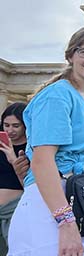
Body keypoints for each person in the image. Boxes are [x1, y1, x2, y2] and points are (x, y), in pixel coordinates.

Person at [8, 26, 84, 256]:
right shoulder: (57, 95)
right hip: (50, 205)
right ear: (70, 55)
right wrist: (65, 221)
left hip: (72, 201)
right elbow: (43, 162)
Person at [0, 102, 27, 255]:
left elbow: (30, 185)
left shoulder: (31, 149)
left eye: (16, 126)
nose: (10, 130)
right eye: (6, 125)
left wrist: (13, 160)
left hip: (14, 211)